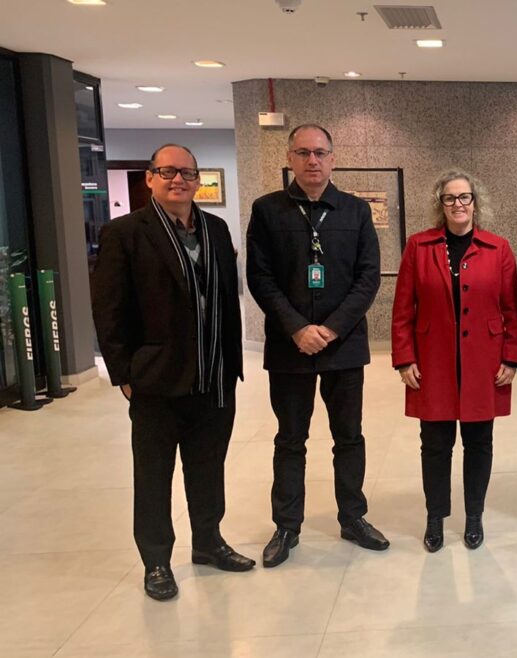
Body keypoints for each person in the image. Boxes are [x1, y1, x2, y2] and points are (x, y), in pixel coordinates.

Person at [91, 143, 253, 601]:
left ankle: (209, 542)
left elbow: (226, 299)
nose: (178, 179)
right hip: (156, 381)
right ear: (150, 179)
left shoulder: (216, 229)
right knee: (153, 475)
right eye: (167, 172)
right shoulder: (125, 233)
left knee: (208, 467)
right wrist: (124, 373)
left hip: (214, 377)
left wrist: (231, 363)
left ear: (198, 180)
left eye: (186, 172)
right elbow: (109, 309)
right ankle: (157, 561)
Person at [246, 123, 388, 567]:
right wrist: (297, 328)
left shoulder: (355, 210)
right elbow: (260, 277)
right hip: (290, 347)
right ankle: (287, 526)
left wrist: (331, 328)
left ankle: (353, 517)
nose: (313, 161)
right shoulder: (267, 210)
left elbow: (368, 277)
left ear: (333, 158)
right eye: (303, 152)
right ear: (289, 158)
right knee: (291, 439)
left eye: (320, 153)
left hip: (343, 346)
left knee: (349, 436)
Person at [391, 169, 517, 552]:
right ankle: (435, 518)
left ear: (475, 202)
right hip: (432, 362)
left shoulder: (498, 249)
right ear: (441, 204)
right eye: (449, 198)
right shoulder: (418, 247)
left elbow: (512, 309)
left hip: (484, 362)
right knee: (435, 444)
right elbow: (403, 309)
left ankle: (474, 517)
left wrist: (512, 357)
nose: (458, 204)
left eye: (464, 197)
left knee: (479, 443)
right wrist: (404, 358)